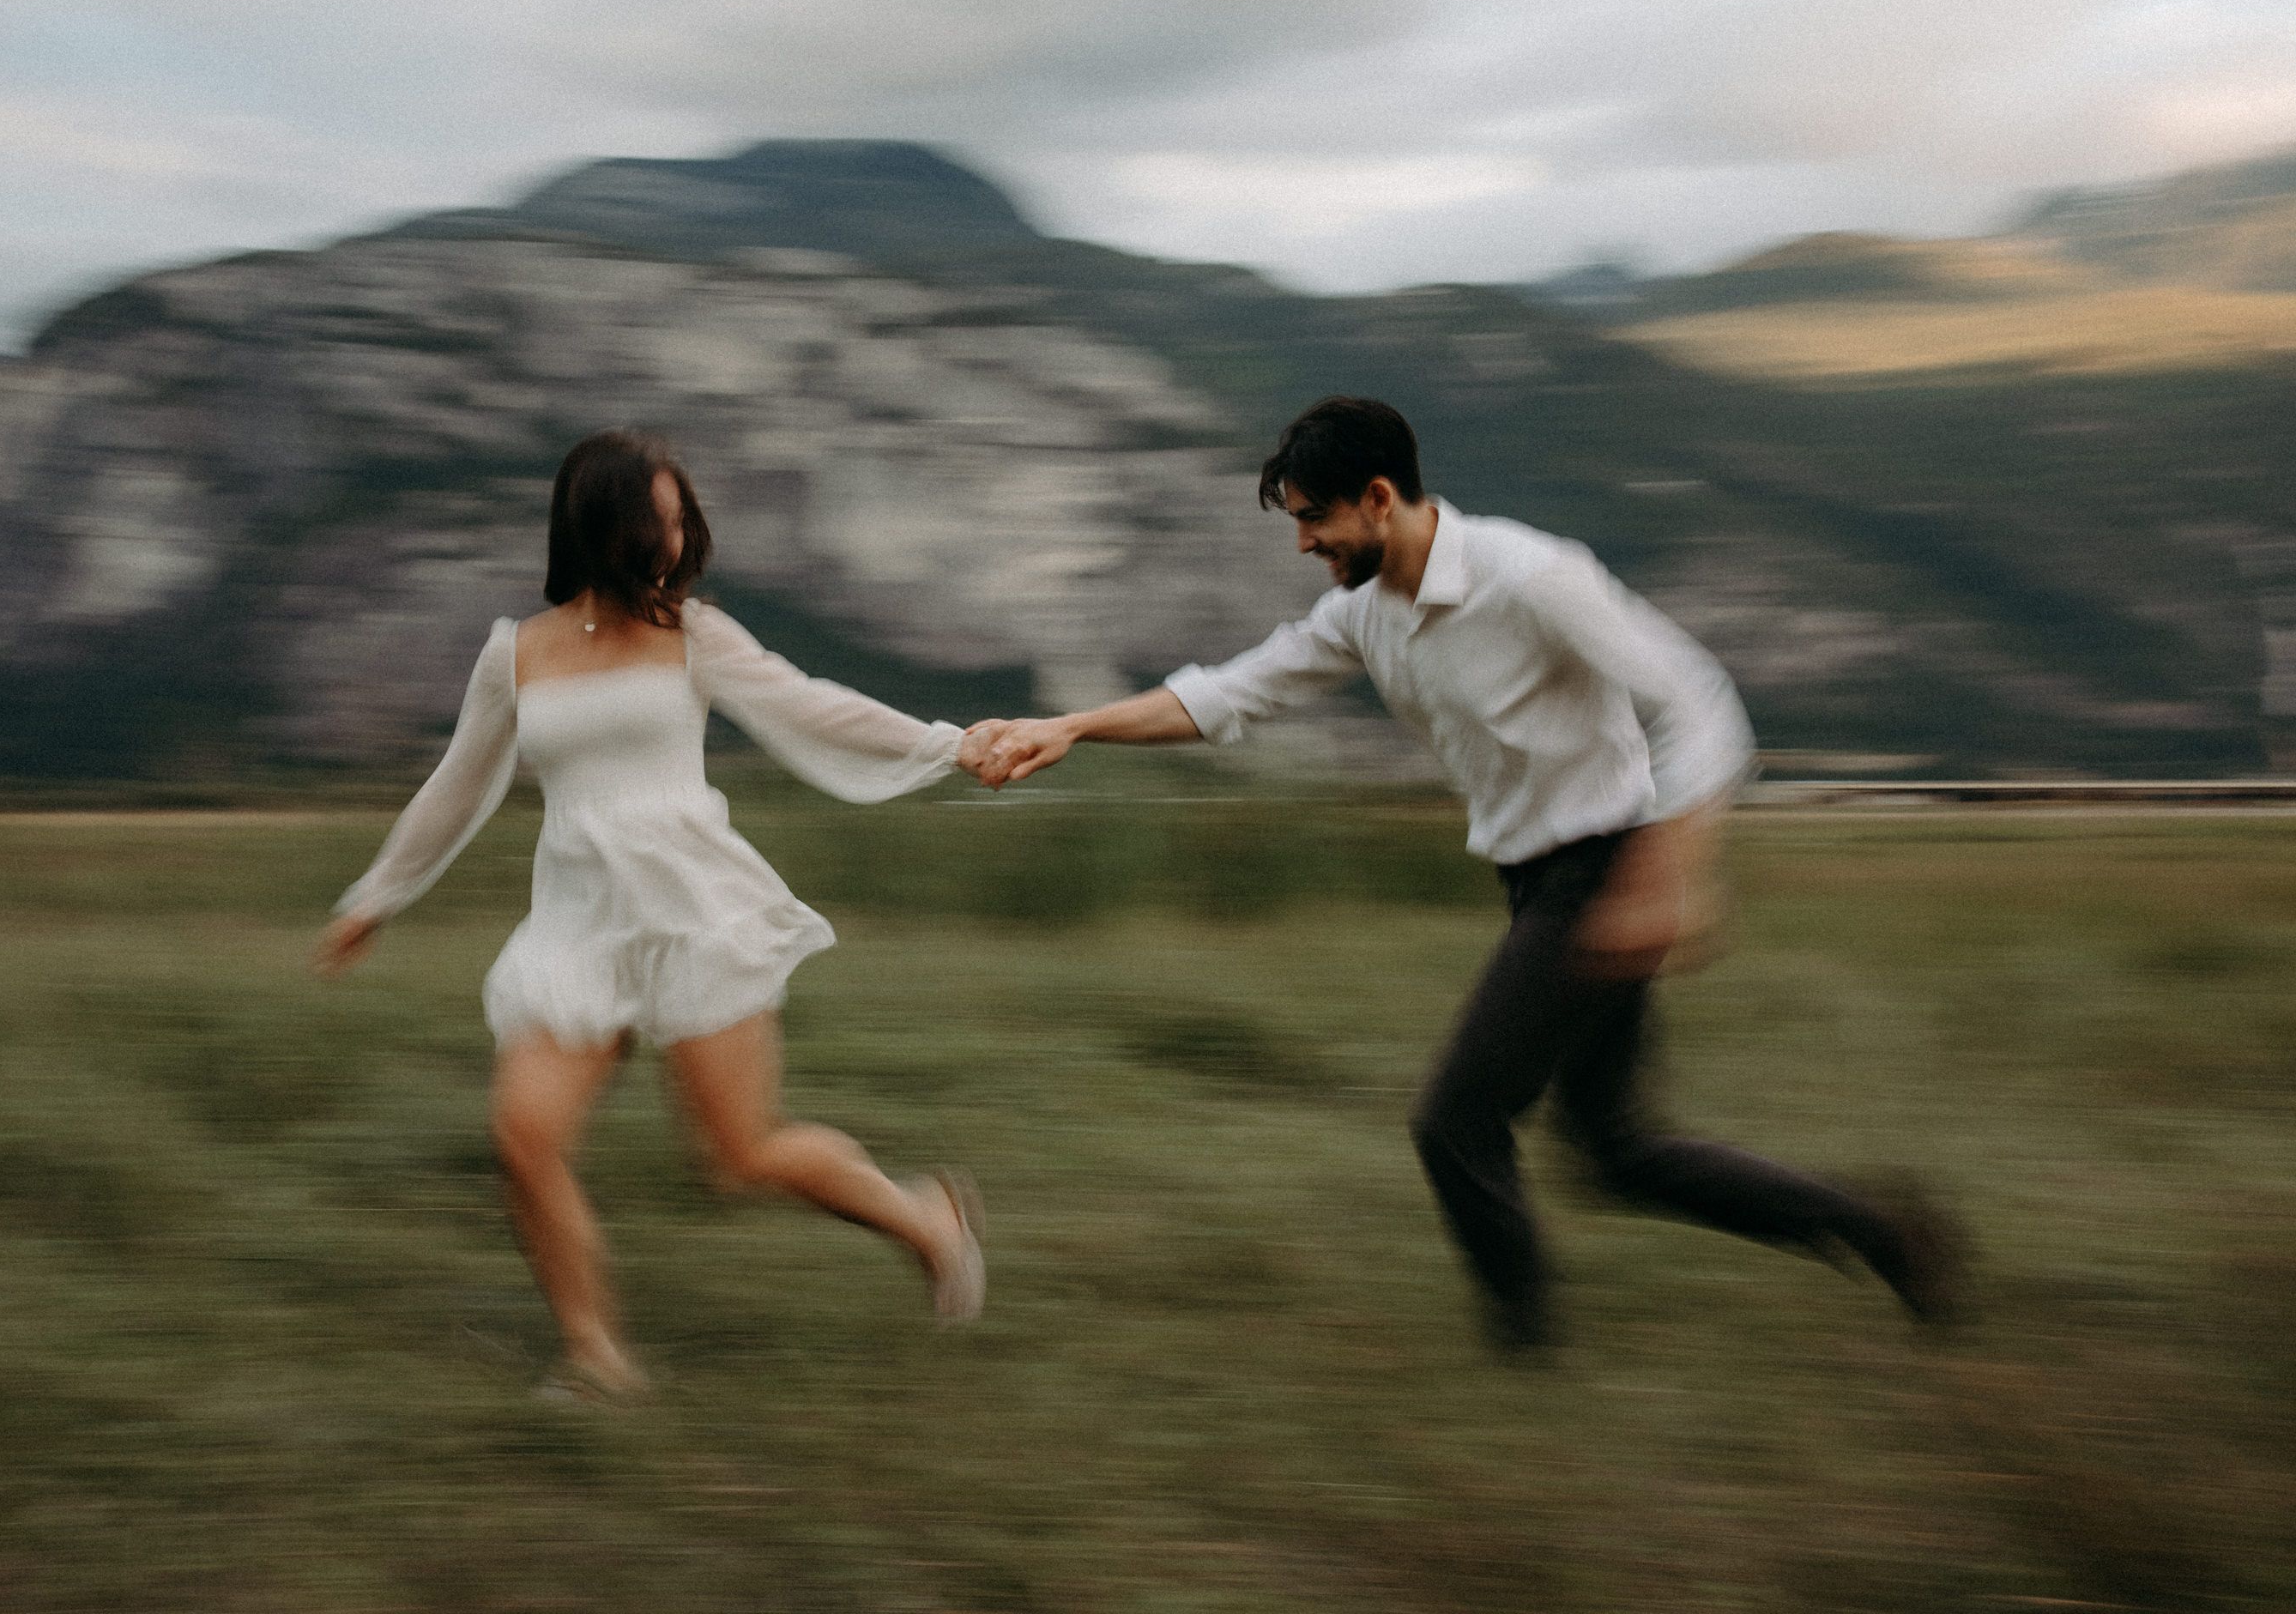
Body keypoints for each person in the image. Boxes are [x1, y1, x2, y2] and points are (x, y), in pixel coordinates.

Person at [972, 396, 1964, 1353]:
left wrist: (1671, 870)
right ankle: (1887, 1233)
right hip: (1540, 882)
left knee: (1455, 1121)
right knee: (1616, 1149)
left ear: (1377, 496)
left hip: (1604, 867)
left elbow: (1699, 700)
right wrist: (1070, 726)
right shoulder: (1366, 613)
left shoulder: (1530, 573)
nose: (1304, 542)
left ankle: (1526, 1349)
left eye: (1313, 517)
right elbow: (1233, 692)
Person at [316, 428, 989, 1400]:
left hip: (693, 912)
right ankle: (597, 1359)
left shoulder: (694, 633)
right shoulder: (515, 655)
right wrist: (374, 896)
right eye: (657, 522)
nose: (674, 542)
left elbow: (815, 709)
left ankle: (928, 1221)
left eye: (682, 521)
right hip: (579, 924)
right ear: (601, 526)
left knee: (739, 1155)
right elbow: (454, 788)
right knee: (525, 1138)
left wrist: (950, 746)